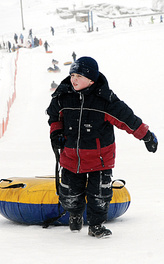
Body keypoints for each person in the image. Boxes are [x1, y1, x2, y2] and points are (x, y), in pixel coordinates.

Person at [46, 56, 158, 238]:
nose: (73, 79)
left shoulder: (105, 99)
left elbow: (127, 119)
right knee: (69, 193)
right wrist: (56, 133)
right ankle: (74, 214)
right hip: (71, 156)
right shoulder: (63, 96)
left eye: (78, 76)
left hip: (100, 159)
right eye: (72, 74)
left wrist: (146, 136)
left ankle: (96, 225)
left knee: (99, 195)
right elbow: (53, 116)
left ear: (91, 79)